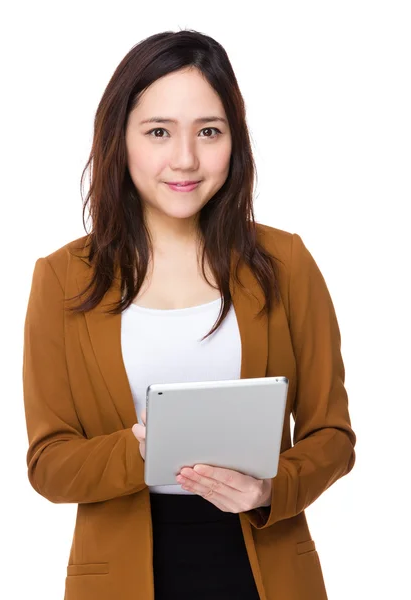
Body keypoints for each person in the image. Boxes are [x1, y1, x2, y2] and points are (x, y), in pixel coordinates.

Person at [22, 29, 356, 600]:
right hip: (122, 575)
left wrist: (270, 489)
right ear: (120, 141)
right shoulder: (63, 278)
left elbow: (332, 436)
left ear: (236, 141)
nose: (185, 159)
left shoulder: (287, 261)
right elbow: (48, 465)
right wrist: (143, 446)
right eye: (158, 132)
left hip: (267, 567)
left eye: (209, 132)